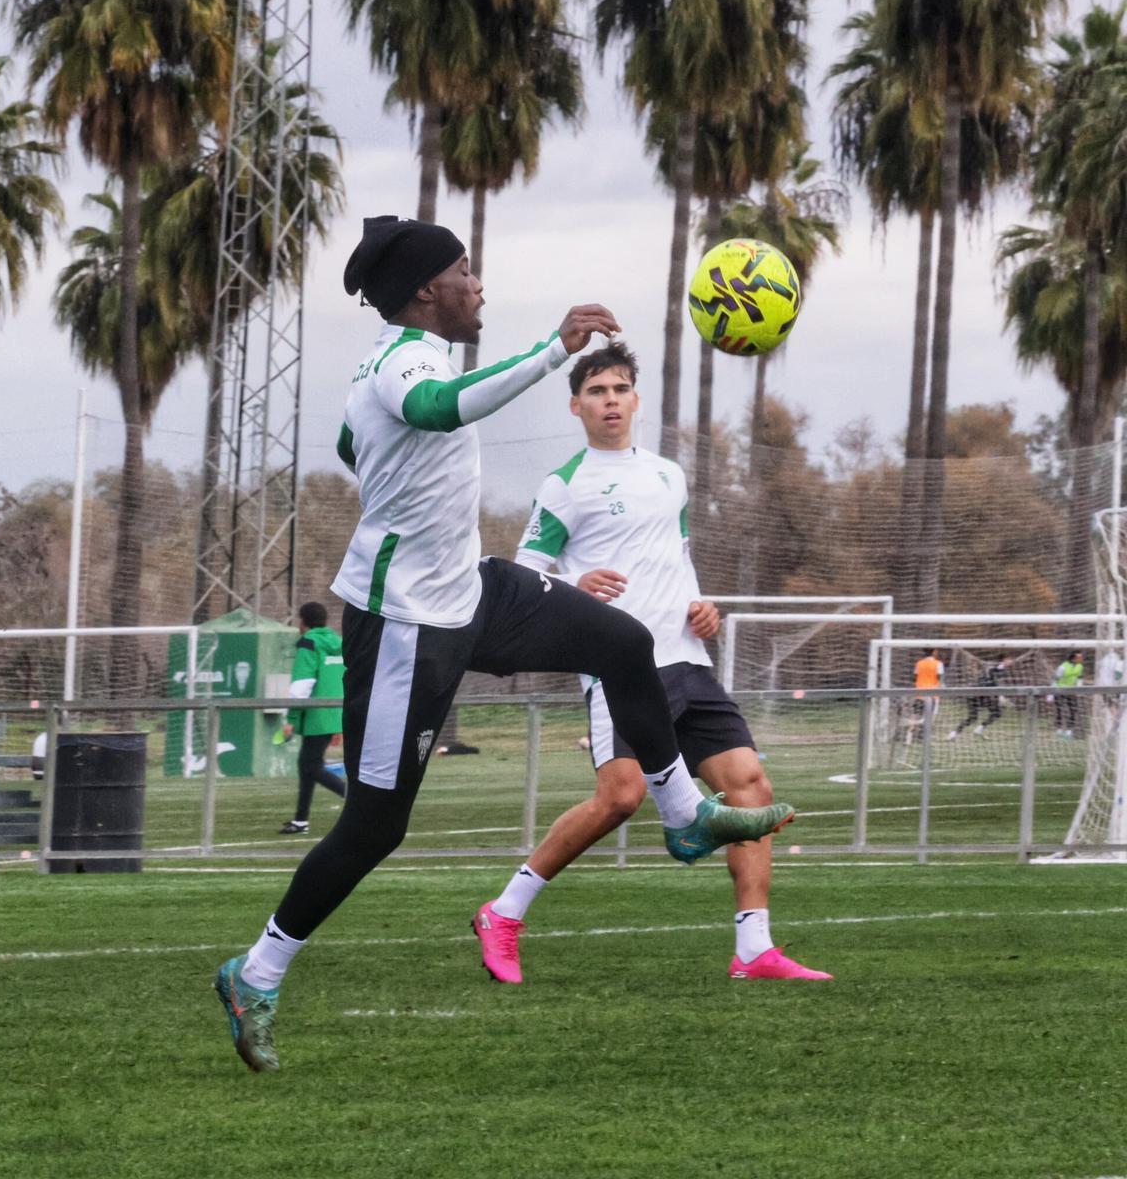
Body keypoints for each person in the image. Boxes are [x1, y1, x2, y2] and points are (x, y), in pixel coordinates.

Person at [213, 215, 794, 1072]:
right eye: (464, 271)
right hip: (409, 620)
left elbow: (356, 437)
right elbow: (436, 408)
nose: (476, 284)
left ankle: (683, 817)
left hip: (474, 589)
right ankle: (255, 973)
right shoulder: (409, 361)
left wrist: (380, 453)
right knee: (375, 828)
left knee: (625, 642)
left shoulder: (400, 360)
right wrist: (554, 348)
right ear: (424, 292)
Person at [473, 341, 826, 984]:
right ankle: (504, 911)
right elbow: (524, 577)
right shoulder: (565, 484)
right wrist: (575, 588)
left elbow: (679, 556)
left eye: (620, 389)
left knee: (750, 784)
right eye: (597, 391)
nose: (610, 401)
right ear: (576, 404)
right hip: (620, 667)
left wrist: (701, 607)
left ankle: (754, 949)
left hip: (688, 659)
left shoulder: (670, 475)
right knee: (622, 798)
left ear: (636, 399)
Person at [278, 601, 347, 835]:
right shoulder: (338, 642)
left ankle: (356, 799)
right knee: (307, 765)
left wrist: (291, 719)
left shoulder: (309, 642)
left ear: (303, 622)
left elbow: (302, 685)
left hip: (315, 714)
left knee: (311, 766)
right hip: (334, 712)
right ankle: (300, 820)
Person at [947, 653, 1011, 740]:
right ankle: (957, 732)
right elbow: (992, 679)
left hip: (982, 696)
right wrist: (1000, 696)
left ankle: (977, 729)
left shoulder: (998, 669)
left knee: (994, 713)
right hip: (977, 695)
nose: (1011, 661)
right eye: (1009, 659)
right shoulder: (995, 669)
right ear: (1004, 659)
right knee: (975, 717)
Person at [1053, 650, 1083, 738]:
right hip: (1060, 690)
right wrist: (1052, 692)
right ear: (1073, 658)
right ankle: (1059, 729)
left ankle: (1069, 731)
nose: (1081, 659)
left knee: (1073, 710)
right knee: (1060, 710)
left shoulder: (1080, 666)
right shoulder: (1063, 667)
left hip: (1071, 690)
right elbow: (1056, 679)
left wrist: (1079, 689)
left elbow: (1079, 678)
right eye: (1079, 657)